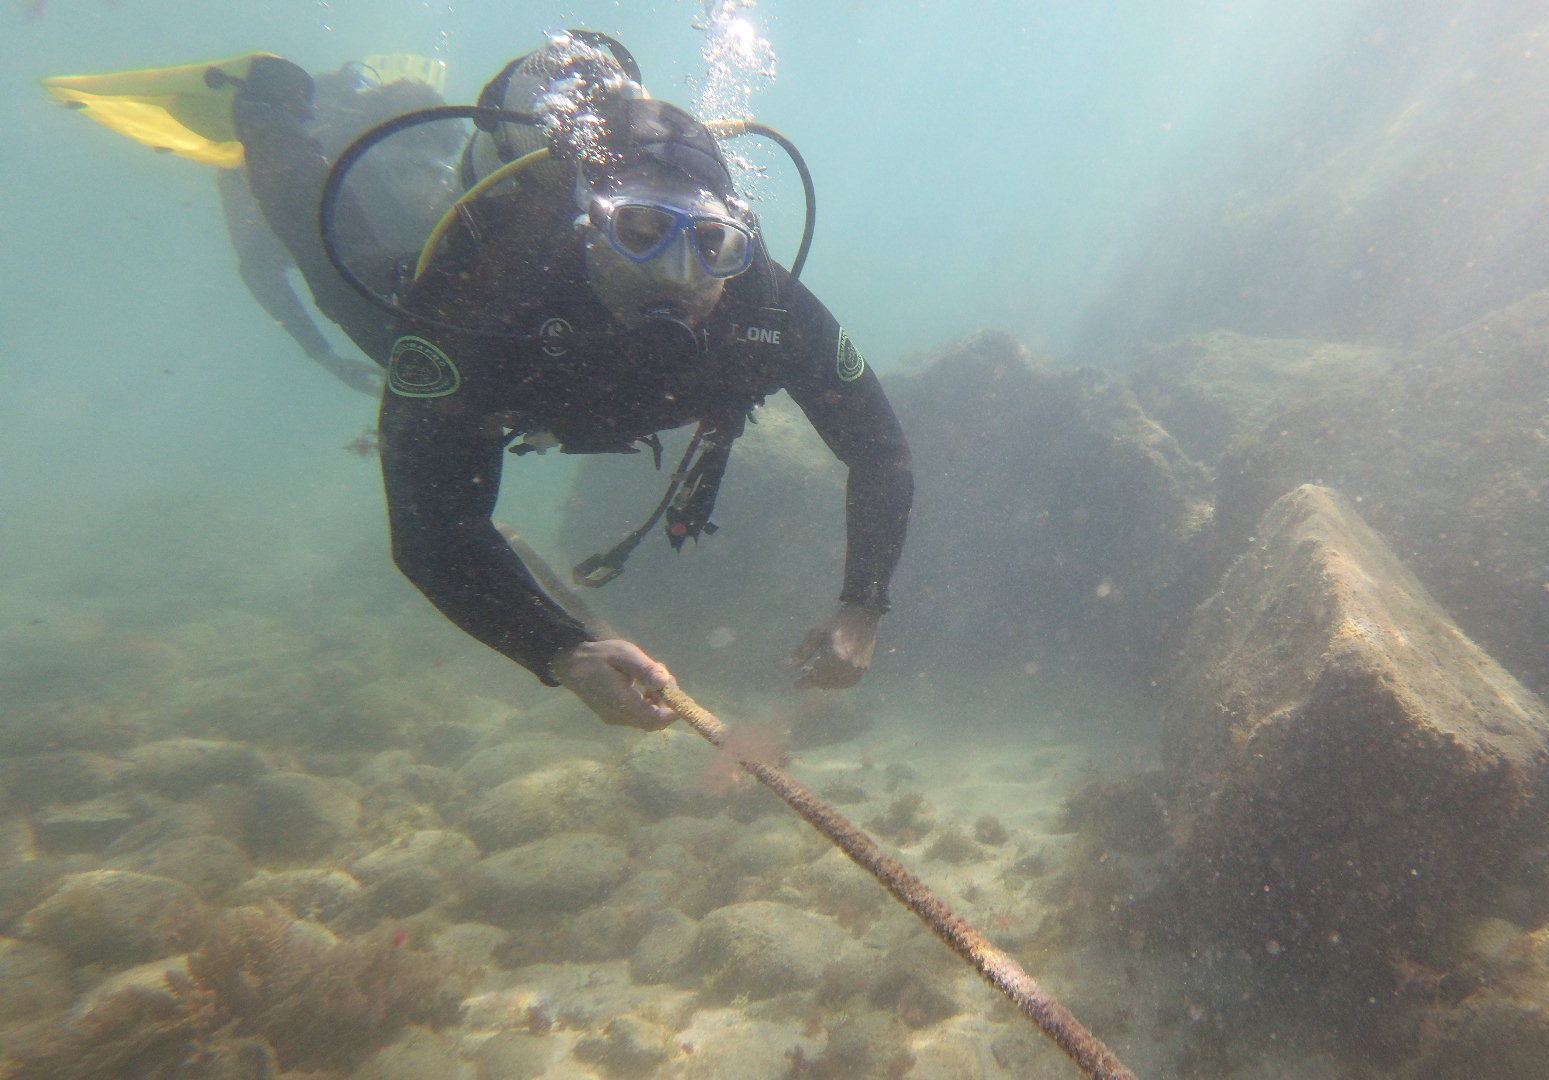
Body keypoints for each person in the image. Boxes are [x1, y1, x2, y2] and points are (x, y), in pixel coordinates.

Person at [231, 31, 913, 728]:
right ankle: (268, 112)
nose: (679, 272)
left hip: (545, 368)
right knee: (331, 262)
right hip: (509, 336)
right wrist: (561, 650)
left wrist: (862, 607)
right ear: (589, 225)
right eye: (640, 231)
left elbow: (879, 449)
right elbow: (431, 530)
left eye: (712, 242)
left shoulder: (765, 306)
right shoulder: (481, 298)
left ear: (738, 237)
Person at [44, 54, 459, 396]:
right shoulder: (314, 186)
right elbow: (260, 269)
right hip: (296, 185)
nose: (426, 189)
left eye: (438, 172)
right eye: (408, 170)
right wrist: (322, 354)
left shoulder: (434, 193)